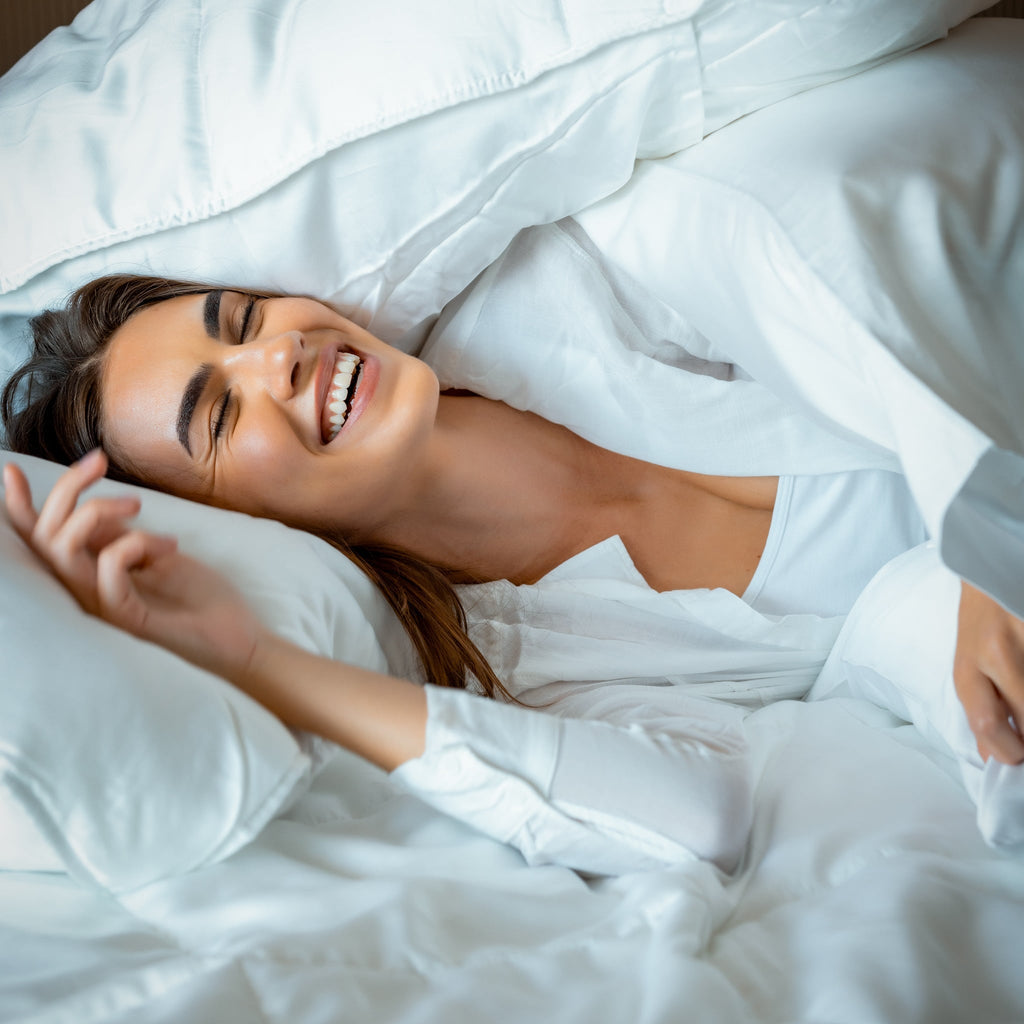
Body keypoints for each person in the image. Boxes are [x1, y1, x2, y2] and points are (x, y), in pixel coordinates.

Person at [3, 253, 1024, 873]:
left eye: (241, 321)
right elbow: (699, 818)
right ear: (239, 522)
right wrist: (254, 659)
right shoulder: (527, 666)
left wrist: (987, 526)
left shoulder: (563, 297)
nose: (278, 356)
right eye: (219, 415)